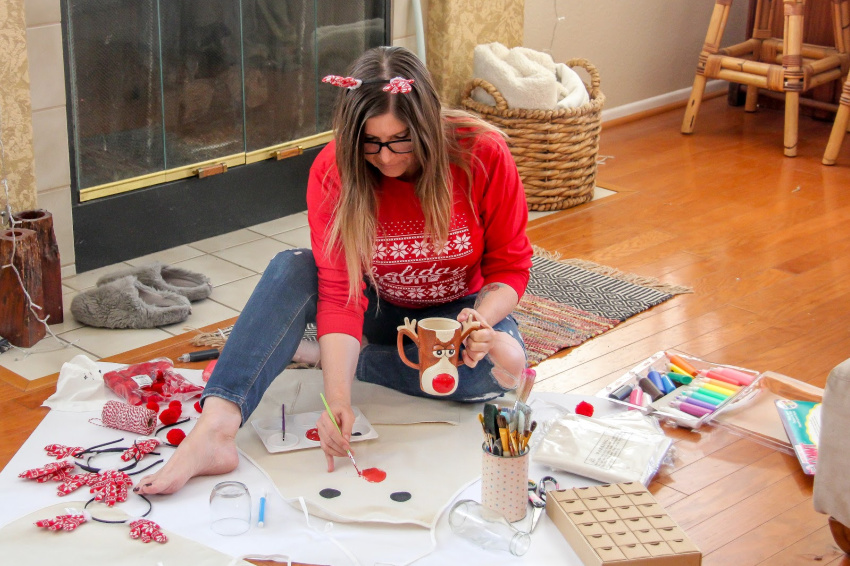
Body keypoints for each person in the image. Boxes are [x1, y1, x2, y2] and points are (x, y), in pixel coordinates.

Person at [135, 45, 533, 495]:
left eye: (400, 140)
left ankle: (340, 357)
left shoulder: (481, 153)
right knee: (291, 267)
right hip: (379, 310)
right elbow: (342, 290)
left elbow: (511, 264)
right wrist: (337, 400)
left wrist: (482, 321)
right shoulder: (335, 169)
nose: (384, 157)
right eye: (370, 142)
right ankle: (214, 431)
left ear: (426, 126)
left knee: (497, 371)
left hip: (458, 319)